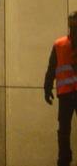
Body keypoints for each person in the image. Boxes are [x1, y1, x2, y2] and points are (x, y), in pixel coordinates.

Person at [44, 11, 77, 166]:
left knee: (64, 129)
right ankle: (64, 159)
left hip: (65, 94)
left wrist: (47, 87)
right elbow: (52, 68)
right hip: (66, 94)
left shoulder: (59, 44)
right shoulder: (60, 44)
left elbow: (51, 68)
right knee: (63, 129)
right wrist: (47, 86)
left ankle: (64, 159)